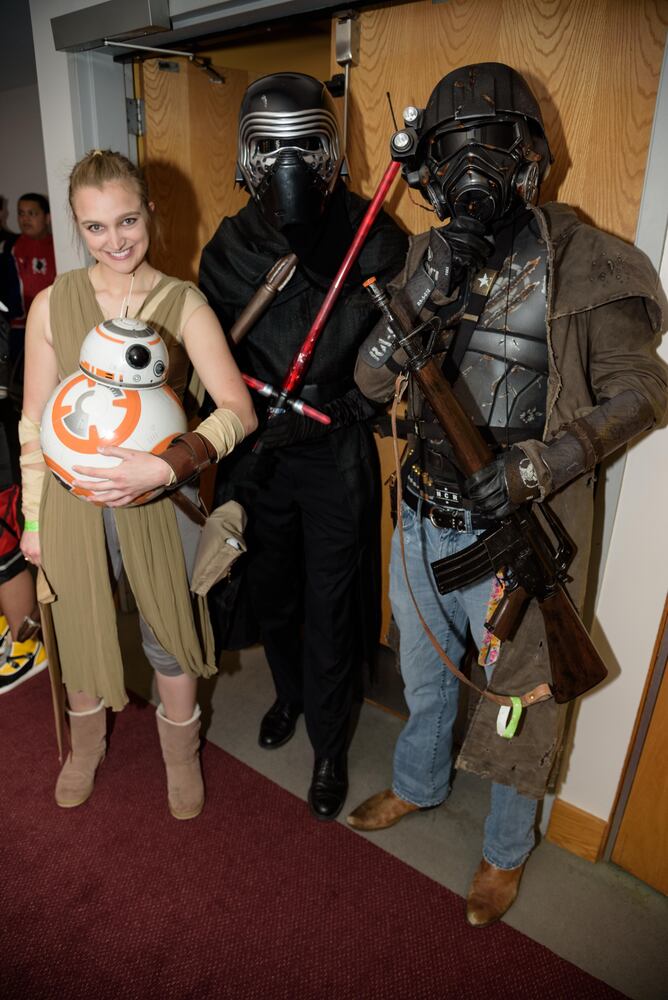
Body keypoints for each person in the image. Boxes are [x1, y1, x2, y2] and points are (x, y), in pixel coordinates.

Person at [348, 63, 667, 924]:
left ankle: (504, 850)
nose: (472, 167)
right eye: (452, 150)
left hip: (518, 530)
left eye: (490, 144)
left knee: (522, 700)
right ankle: (417, 782)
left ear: (529, 154)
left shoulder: (591, 263)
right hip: (422, 517)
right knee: (426, 675)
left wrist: (542, 465)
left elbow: (644, 390)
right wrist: (428, 287)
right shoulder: (425, 259)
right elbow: (370, 384)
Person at [20, 149, 256, 819]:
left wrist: (168, 465)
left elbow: (239, 411)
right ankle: (86, 748)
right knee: (79, 625)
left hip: (161, 501)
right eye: (94, 227)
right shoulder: (52, 305)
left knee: (168, 633)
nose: (114, 240)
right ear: (76, 226)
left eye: (127, 220)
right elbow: (33, 423)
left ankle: (181, 756)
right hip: (70, 503)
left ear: (150, 212)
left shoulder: (183, 303)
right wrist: (33, 521)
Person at [200, 73, 408, 820]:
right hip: (259, 449)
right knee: (273, 588)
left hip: (333, 447)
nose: (287, 165)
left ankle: (328, 743)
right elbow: (213, 356)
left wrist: (342, 408)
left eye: (306, 145)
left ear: (332, 150)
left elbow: (395, 350)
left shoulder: (375, 235)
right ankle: (289, 693)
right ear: (245, 156)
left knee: (331, 601)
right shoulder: (228, 249)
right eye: (269, 148)